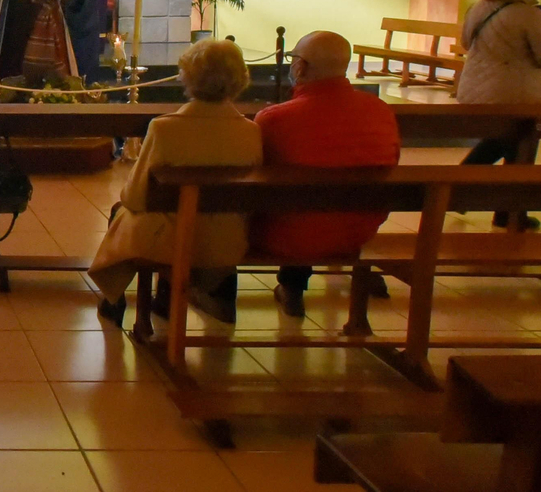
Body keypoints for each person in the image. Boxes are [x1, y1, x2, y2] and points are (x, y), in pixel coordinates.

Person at [90, 39, 261, 326]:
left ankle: (113, 300)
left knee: (121, 210)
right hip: (226, 242)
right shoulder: (251, 131)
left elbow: (136, 197)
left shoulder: (164, 128)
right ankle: (168, 300)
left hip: (172, 243)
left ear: (189, 76)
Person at [251, 31, 400, 317]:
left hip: (287, 236)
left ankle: (233, 290)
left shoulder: (275, 119)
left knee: (286, 204)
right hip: (359, 230)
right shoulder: (379, 110)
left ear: (300, 67)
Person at [457, 0, 541, 229]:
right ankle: (499, 207)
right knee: (521, 149)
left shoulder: (479, 7)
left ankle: (468, 193)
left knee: (503, 142)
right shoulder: (528, 14)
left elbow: (464, 42)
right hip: (514, 90)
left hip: (475, 85)